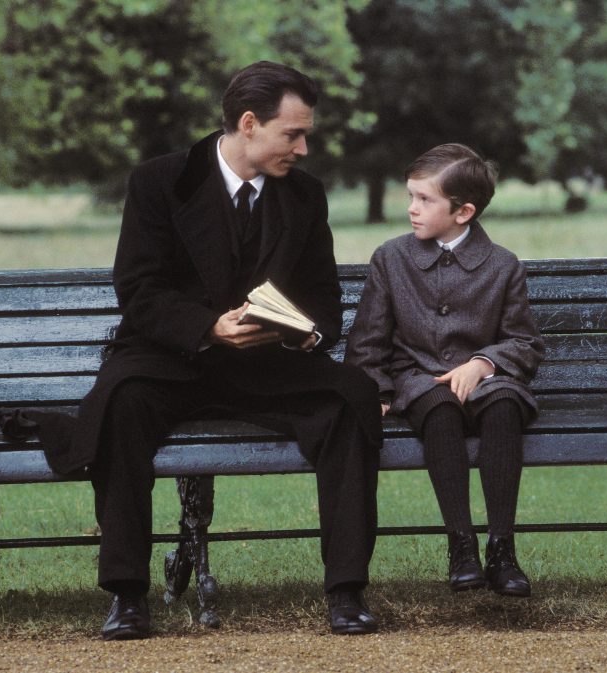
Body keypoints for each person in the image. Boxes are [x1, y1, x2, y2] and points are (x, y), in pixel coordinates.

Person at [60, 61, 383, 640]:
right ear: (250, 123)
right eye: (294, 134)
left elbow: (324, 299)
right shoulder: (160, 181)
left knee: (350, 399)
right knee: (121, 403)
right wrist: (209, 327)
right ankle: (128, 596)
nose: (304, 148)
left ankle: (347, 592)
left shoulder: (305, 197)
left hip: (267, 364)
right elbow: (139, 289)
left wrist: (303, 332)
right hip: (173, 358)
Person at [345, 143, 544, 597]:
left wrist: (483, 362)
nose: (411, 209)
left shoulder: (502, 265)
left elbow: (525, 342)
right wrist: (373, 392)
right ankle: (461, 545)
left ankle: (501, 547)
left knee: (505, 406)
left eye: (424, 199)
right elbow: (368, 338)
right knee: (439, 410)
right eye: (411, 196)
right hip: (418, 380)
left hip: (490, 382)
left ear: (464, 211)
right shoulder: (391, 258)